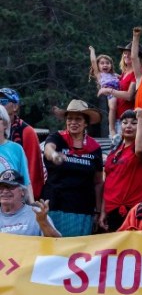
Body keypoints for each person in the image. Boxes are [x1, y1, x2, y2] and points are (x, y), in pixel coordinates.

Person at [0, 169, 60, 295]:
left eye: (10, 188)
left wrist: (43, 223)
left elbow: (59, 245)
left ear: (22, 192)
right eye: (1, 188)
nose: (5, 191)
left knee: (16, 280)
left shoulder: (35, 214)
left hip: (28, 274)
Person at [41, 100, 103, 236]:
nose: (73, 122)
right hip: (55, 207)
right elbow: (48, 149)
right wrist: (54, 155)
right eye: (70, 119)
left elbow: (98, 182)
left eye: (78, 119)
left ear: (86, 123)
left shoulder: (95, 148)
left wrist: (98, 211)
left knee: (77, 252)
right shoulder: (57, 138)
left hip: (83, 210)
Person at [100, 109, 142, 232]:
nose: (128, 126)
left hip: (136, 210)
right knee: (114, 250)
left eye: (134, 123)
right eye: (124, 122)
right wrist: (102, 211)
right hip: (112, 210)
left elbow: (140, 149)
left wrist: (141, 118)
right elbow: (107, 183)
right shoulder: (114, 151)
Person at [0, 88, 43, 198]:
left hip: (17, 195)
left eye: (3, 101)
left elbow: (33, 167)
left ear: (15, 106)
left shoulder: (26, 131)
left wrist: (31, 198)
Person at [0, 106, 34, 206]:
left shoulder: (16, 149)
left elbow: (26, 181)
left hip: (11, 208)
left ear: (5, 124)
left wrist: (32, 205)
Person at [89, 46, 120, 137]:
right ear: (98, 66)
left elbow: (125, 78)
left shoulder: (114, 75)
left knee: (117, 109)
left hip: (119, 93)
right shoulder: (99, 75)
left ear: (111, 65)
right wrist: (92, 51)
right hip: (111, 95)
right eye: (102, 63)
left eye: (107, 63)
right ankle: (111, 129)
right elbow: (93, 61)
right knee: (113, 107)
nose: (105, 65)